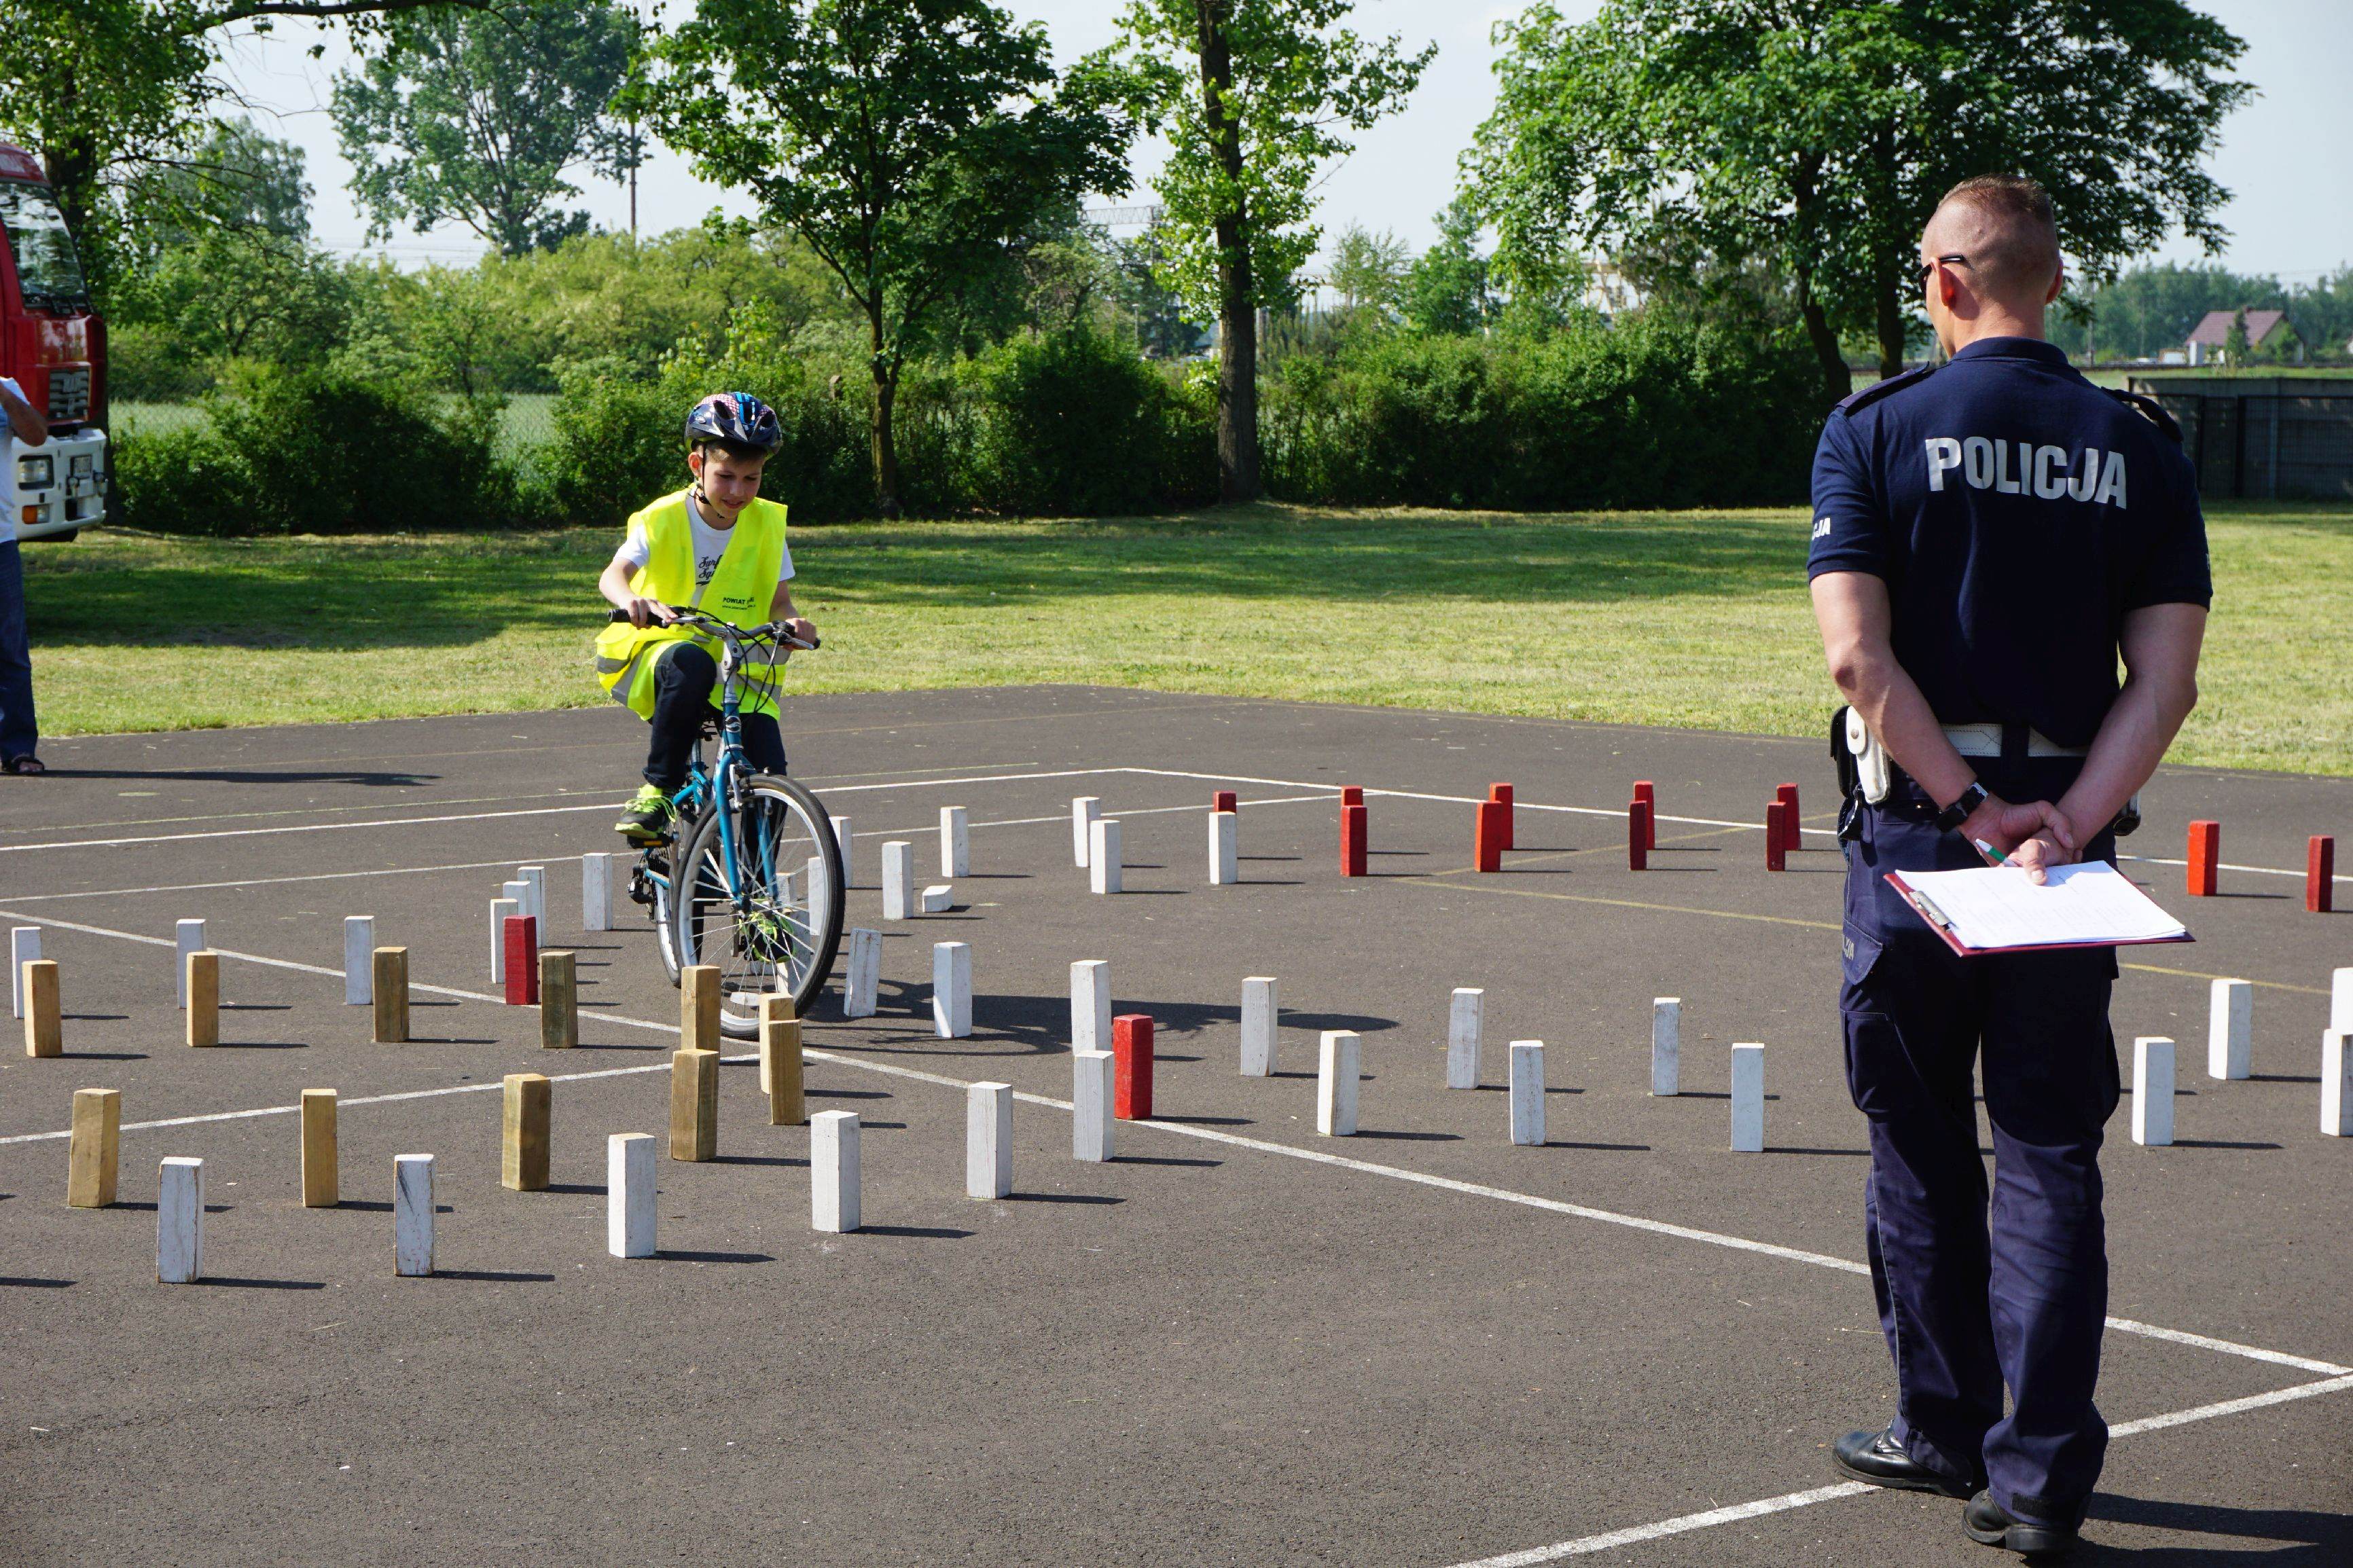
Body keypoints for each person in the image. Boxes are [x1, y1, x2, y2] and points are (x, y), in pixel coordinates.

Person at [1807, 175, 2209, 1560]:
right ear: (2049, 282)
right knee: (2047, 1152)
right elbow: (2164, 682)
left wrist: (1971, 802)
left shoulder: (1873, 429)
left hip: (1926, 833)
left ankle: (1941, 1422)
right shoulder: (2137, 445)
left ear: (1942, 281)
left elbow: (1860, 657)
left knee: (1919, 1141)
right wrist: (2065, 817)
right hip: (2063, 844)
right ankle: (2038, 1476)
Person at [594, 393, 816, 843]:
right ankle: (658, 788)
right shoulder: (662, 517)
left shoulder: (767, 525)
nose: (738, 492)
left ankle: (756, 898)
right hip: (661, 652)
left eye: (751, 478)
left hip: (739, 668)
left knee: (772, 777)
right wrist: (633, 600)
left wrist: (794, 624)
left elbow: (780, 602)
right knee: (691, 663)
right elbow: (614, 575)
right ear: (697, 466)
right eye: (725, 476)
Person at [0, 373, 52, 775]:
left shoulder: (9, 387)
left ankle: (18, 748)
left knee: (11, 652)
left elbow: (36, 437)